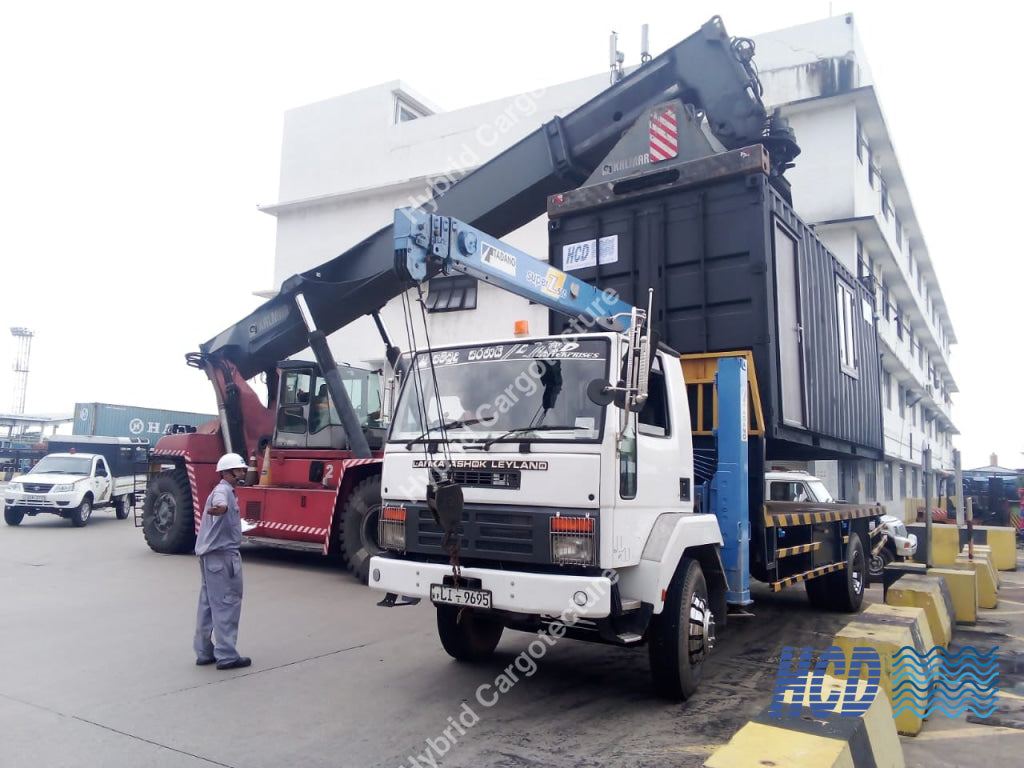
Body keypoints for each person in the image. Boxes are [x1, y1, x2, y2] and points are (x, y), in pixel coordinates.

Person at [194, 452, 252, 670]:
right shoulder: (223, 491)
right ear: (226, 473)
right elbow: (221, 504)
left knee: (209, 604)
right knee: (227, 604)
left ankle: (204, 652)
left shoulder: (226, 490)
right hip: (222, 557)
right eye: (239, 470)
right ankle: (227, 656)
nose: (243, 473)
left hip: (210, 557)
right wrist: (221, 509)